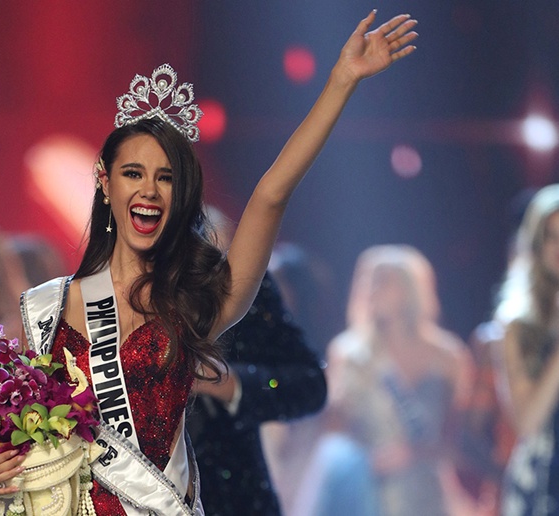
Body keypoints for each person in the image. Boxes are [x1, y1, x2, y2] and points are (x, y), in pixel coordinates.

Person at [0, 12, 418, 515]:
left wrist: (341, 81)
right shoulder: (45, 308)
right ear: (105, 183)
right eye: (133, 173)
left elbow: (271, 195)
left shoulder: (194, 302)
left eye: (165, 177)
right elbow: (7, 445)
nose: (149, 189)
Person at [187, 207, 327, 515]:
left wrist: (231, 383)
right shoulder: (109, 297)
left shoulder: (242, 286)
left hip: (237, 499)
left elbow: (310, 384)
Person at [323, 245, 472, 516]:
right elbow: (334, 436)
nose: (371, 290)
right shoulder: (348, 355)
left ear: (410, 289)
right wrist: (365, 461)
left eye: (382, 281)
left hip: (430, 495)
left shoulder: (448, 355)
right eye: (366, 281)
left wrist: (415, 453)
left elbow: (460, 438)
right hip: (368, 494)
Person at [493, 184, 559, 515]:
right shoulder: (516, 327)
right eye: (552, 237)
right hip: (542, 487)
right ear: (536, 245)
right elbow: (527, 422)